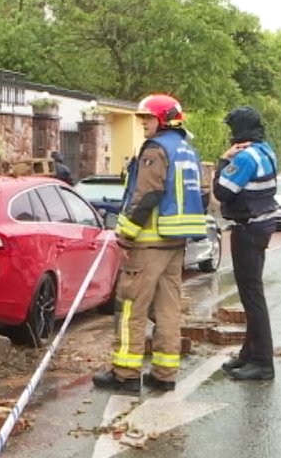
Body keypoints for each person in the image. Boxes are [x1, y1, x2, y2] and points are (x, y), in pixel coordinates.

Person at [92, 94, 208, 392]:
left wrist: (126, 232)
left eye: (148, 119)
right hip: (175, 244)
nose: (143, 124)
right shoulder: (187, 151)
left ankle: (125, 374)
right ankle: (164, 375)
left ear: (164, 120)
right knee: (168, 309)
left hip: (148, 242)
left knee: (132, 306)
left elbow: (147, 195)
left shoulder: (156, 150)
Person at [214, 105, 278, 381]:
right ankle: (248, 355)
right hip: (262, 225)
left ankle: (262, 363)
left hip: (248, 228)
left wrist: (222, 161)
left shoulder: (246, 157)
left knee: (252, 297)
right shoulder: (267, 150)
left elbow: (222, 191)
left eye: (232, 128)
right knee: (253, 294)